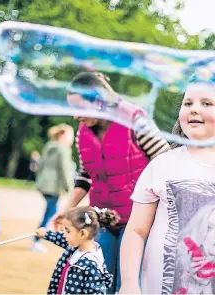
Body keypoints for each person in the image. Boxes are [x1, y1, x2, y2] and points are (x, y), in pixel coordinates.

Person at [119, 71, 215, 294]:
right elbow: (137, 231)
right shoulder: (163, 165)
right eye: (188, 103)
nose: (194, 108)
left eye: (206, 103)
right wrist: (128, 284)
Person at [51, 71, 170, 293]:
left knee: (128, 284)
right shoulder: (83, 132)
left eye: (79, 108)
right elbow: (85, 177)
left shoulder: (135, 120)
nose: (76, 116)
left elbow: (165, 162)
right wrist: (66, 210)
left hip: (137, 220)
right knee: (100, 282)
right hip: (102, 218)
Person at [35, 206, 120, 294]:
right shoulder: (75, 247)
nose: (64, 234)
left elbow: (97, 292)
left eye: (67, 231)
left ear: (82, 234)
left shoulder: (90, 264)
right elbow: (61, 238)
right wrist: (46, 234)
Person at [31, 124, 75, 252]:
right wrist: (70, 187)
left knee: (52, 210)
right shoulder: (63, 149)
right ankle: (37, 239)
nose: (71, 139)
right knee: (50, 213)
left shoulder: (49, 146)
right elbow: (65, 170)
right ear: (63, 136)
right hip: (54, 186)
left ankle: (41, 238)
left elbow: (40, 166)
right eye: (70, 136)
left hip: (44, 185)